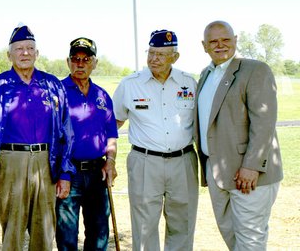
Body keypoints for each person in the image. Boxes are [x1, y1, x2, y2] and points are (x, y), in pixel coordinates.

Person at [0, 25, 75, 251]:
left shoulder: (52, 85)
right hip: (10, 164)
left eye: (30, 48)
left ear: (37, 53)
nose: (25, 53)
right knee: (13, 231)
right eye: (19, 48)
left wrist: (65, 173)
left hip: (45, 162)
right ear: (9, 54)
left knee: (44, 232)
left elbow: (66, 132)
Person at [197, 20, 282, 250]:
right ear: (204, 46)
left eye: (225, 39)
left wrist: (252, 166)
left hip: (248, 175)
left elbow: (264, 122)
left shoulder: (255, 70)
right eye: (213, 41)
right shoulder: (205, 75)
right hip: (217, 173)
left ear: (235, 40)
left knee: (250, 240)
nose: (220, 45)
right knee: (233, 238)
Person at [113, 29, 198, 251]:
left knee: (183, 221)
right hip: (145, 161)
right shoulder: (130, 84)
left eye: (161, 54)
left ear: (175, 57)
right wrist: (106, 157)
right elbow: (114, 122)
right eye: (151, 53)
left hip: (183, 161)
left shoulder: (188, 83)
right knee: (144, 225)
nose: (154, 59)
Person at [56, 37, 118, 251]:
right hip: (68, 173)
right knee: (67, 236)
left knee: (99, 232)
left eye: (86, 59)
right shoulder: (57, 92)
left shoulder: (102, 95)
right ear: (68, 62)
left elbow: (111, 134)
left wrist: (110, 161)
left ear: (95, 63)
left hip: (97, 172)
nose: (80, 64)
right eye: (75, 59)